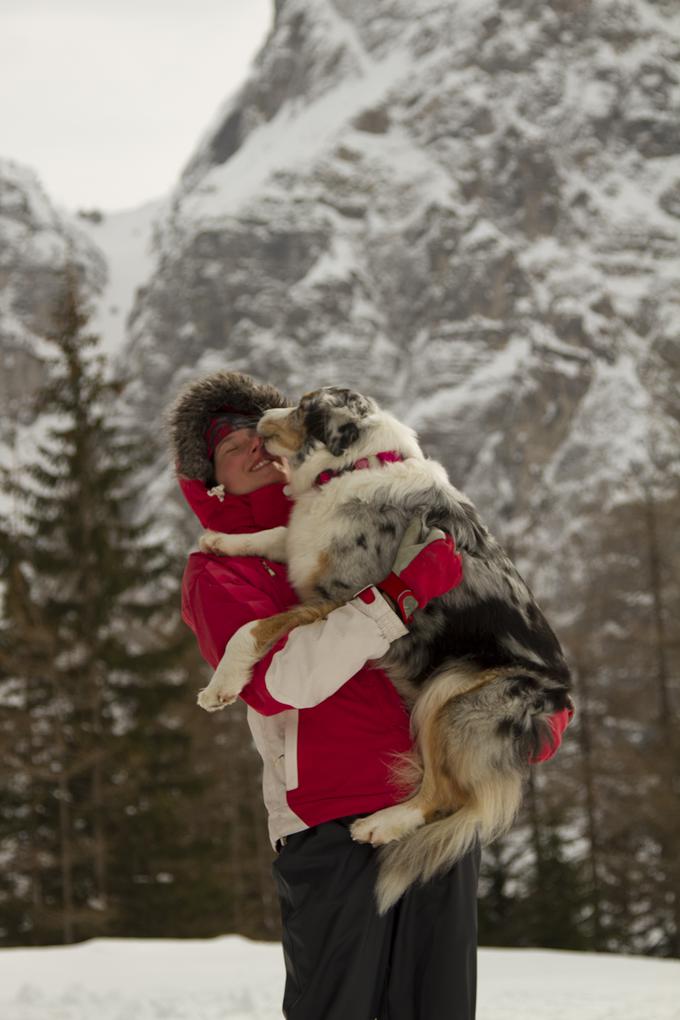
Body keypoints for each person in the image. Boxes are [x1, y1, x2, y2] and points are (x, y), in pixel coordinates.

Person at [169, 371, 572, 1020]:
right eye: (226, 447)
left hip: (429, 803)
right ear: (210, 482)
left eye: (255, 431)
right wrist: (395, 599)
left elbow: (483, 603)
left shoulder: (379, 511)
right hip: (330, 823)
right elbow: (278, 685)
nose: (249, 446)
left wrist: (529, 701)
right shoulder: (220, 569)